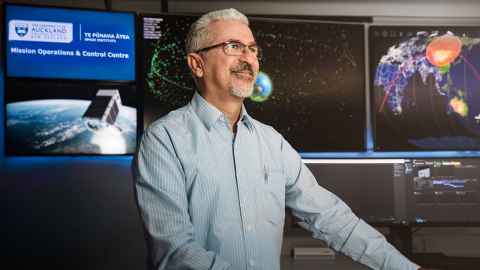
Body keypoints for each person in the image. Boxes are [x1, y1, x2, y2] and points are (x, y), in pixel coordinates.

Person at [133, 8, 428, 270]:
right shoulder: (163, 140)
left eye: (252, 49)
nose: (248, 58)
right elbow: (174, 252)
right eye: (233, 47)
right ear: (197, 64)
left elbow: (331, 218)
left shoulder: (272, 142)